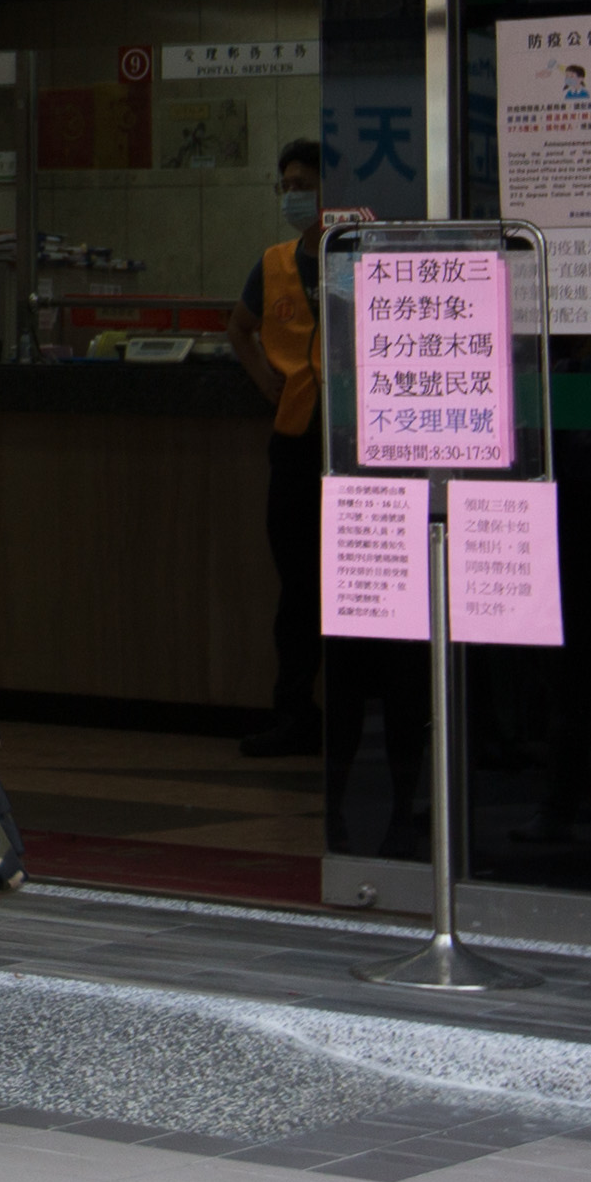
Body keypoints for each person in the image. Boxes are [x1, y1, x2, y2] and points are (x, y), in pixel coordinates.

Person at [241, 141, 330, 764]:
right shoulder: (273, 262)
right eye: (286, 183)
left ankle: (351, 711)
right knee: (297, 588)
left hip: (353, 444)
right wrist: (262, 377)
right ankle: (295, 712)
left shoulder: (357, 250)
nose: (293, 193)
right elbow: (238, 328)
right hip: (296, 439)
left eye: (303, 181)